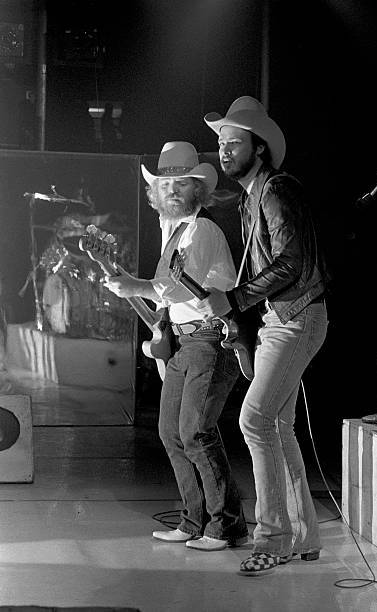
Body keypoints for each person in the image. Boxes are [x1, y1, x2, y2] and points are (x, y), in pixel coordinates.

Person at [198, 96, 330, 575]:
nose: (225, 151)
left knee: (254, 421)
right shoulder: (251, 199)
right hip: (282, 319)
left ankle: (271, 538)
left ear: (260, 147)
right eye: (221, 145)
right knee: (277, 426)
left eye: (233, 143)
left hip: (296, 317)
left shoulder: (276, 191)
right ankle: (304, 538)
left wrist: (232, 300)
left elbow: (291, 263)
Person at [104, 141, 248, 551]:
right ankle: (194, 520)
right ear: (155, 193)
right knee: (171, 432)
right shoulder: (173, 232)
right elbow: (168, 297)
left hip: (209, 339)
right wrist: (137, 292)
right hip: (184, 343)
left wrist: (136, 286)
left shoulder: (202, 229)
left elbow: (177, 287)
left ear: (197, 191)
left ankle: (225, 525)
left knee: (195, 432)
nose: (172, 191)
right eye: (165, 185)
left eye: (182, 184)